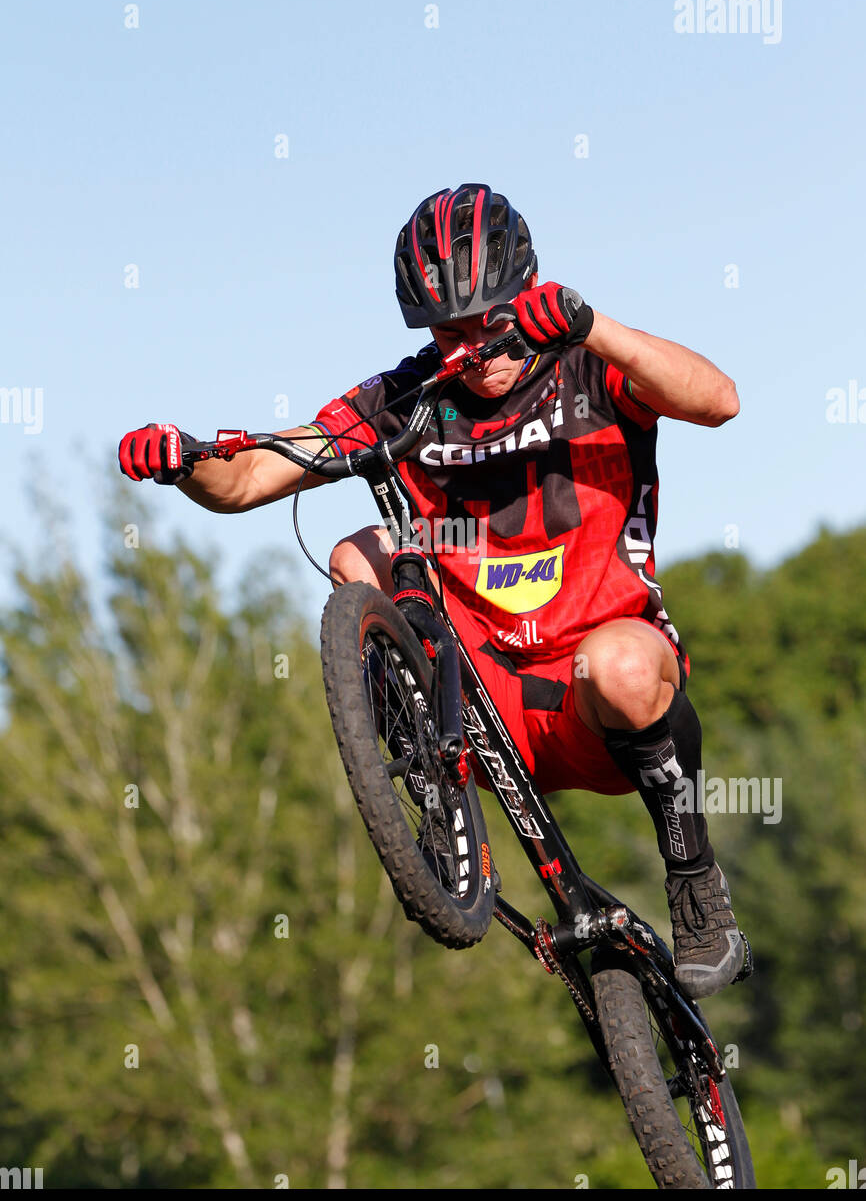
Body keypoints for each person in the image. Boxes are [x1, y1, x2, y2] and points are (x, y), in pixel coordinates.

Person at [118, 183, 744, 998]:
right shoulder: (406, 398)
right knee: (358, 551)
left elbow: (719, 400)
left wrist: (594, 326)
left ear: (527, 291)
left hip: (594, 696)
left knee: (624, 665)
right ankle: (427, 777)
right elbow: (251, 477)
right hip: (476, 698)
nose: (479, 346)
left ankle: (695, 884)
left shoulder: (592, 368)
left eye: (493, 320)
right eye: (454, 331)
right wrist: (184, 462)